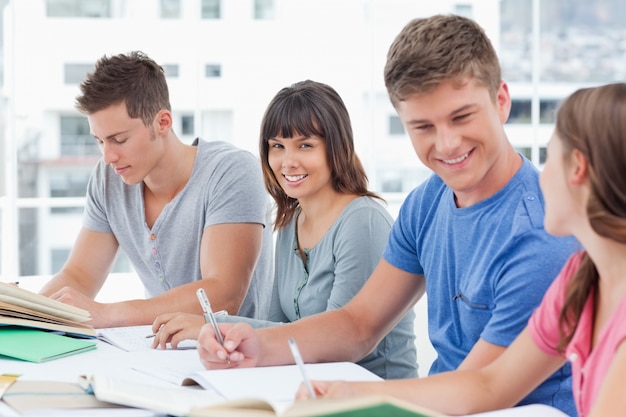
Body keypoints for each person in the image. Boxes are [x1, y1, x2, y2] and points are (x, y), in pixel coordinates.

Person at [195, 14, 581, 415]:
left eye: (461, 117)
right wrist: (257, 346)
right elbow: (358, 324)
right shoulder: (426, 202)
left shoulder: (542, 232)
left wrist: (359, 395)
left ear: (501, 101)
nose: (446, 143)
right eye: (423, 126)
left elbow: (483, 389)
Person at [300, 82, 626, 417]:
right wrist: (354, 393)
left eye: (548, 157)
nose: (539, 178)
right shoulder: (580, 280)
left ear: (577, 168)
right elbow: (489, 385)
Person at [150, 80, 418, 380]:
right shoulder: (291, 221)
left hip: (373, 395)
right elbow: (278, 328)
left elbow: (340, 343)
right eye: (277, 146)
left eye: (305, 145)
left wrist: (215, 326)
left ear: (337, 148)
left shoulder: (362, 222)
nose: (288, 162)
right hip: (310, 388)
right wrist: (215, 329)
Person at [39, 51, 274, 328]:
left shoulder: (231, 171)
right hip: (160, 351)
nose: (108, 156)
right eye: (100, 141)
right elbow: (79, 276)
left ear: (162, 122)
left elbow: (223, 294)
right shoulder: (109, 178)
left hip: (240, 356)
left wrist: (107, 314)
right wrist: (22, 314)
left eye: (119, 139)